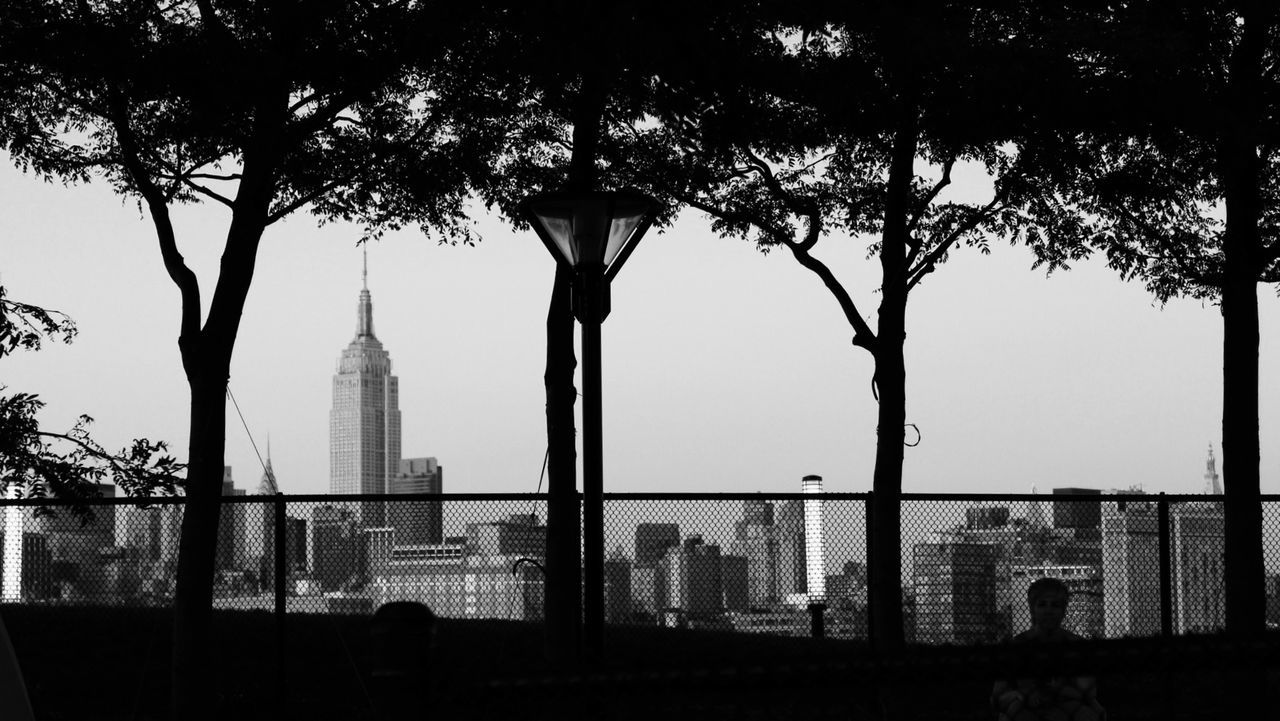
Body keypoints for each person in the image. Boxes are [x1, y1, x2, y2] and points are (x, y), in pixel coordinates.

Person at [991, 577, 1105, 721]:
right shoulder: (1017, 645)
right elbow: (997, 696)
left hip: (1066, 709)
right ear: (1033, 609)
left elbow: (1088, 691)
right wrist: (1020, 696)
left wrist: (1052, 692)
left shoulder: (1076, 644)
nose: (1048, 610)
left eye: (1055, 605)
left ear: (1063, 611)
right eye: (1042, 604)